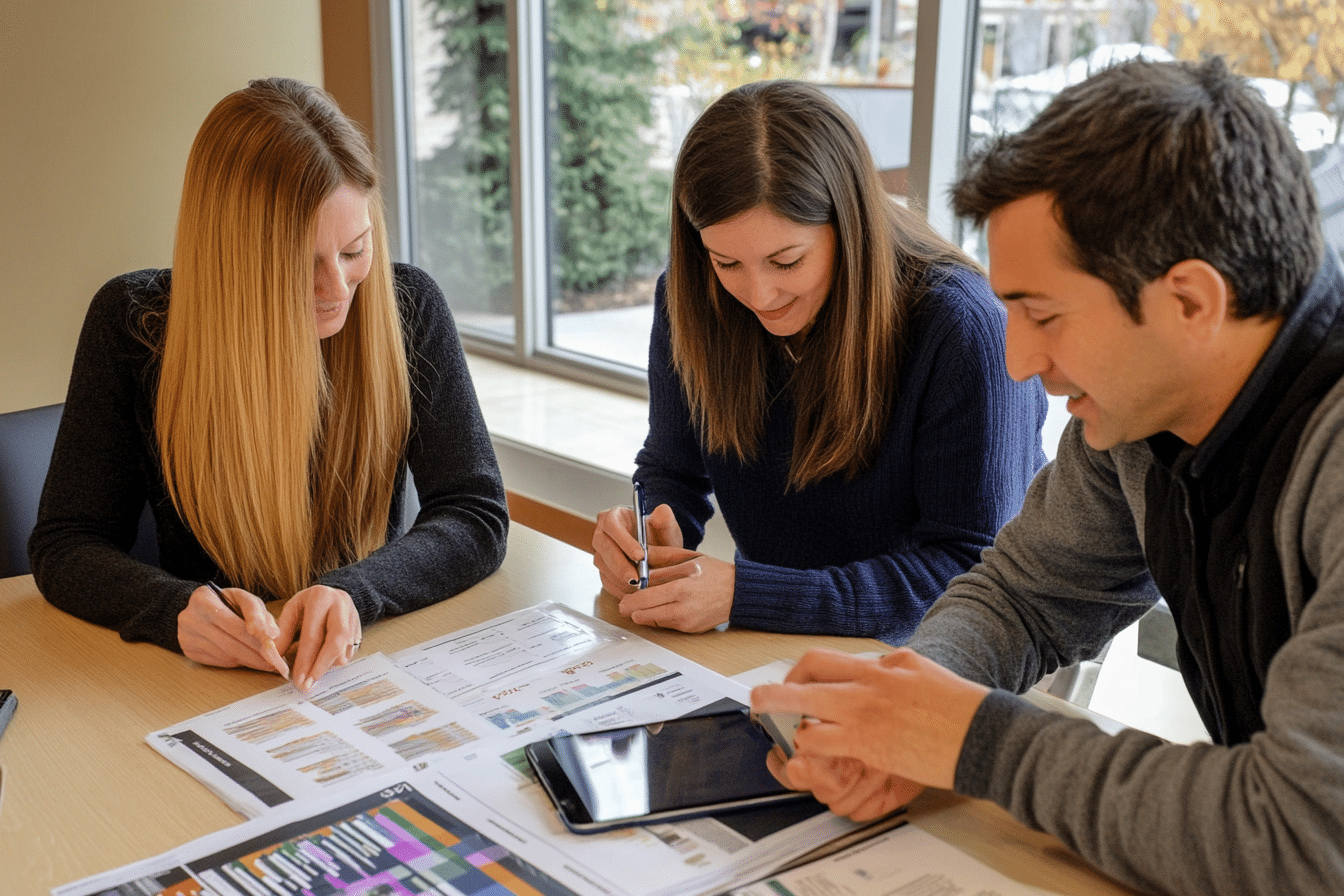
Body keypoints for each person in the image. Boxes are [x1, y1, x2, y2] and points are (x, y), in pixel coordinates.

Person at [751, 56, 1344, 895]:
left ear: (1191, 302)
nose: (1020, 360)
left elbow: (1301, 840)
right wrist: (907, 711)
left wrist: (972, 741)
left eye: (1044, 314)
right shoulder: (1141, 406)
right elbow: (1026, 596)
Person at [30, 78, 509, 693]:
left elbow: (476, 511)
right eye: (302, 262)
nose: (338, 289)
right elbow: (66, 545)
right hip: (193, 688)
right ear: (233, 258)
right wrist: (171, 606)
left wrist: (356, 592)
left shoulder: (408, 306)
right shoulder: (131, 323)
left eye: (353, 250)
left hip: (361, 669)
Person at [591, 80, 1046, 641]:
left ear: (849, 226)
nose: (758, 296)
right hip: (775, 643)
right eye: (727, 262)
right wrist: (652, 531)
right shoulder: (691, 296)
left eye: (786, 261)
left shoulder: (961, 327)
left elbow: (966, 571)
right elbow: (674, 465)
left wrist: (747, 594)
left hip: (920, 659)